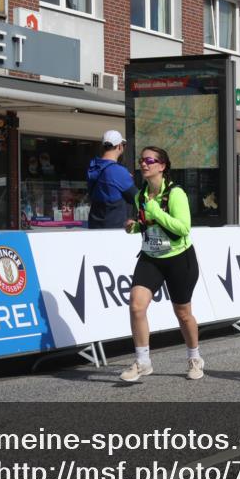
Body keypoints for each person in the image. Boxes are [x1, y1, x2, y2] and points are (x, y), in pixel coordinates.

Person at [121, 146, 203, 382]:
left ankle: (194, 357)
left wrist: (156, 211)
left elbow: (183, 228)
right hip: (151, 257)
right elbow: (146, 223)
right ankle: (143, 361)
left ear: (162, 166)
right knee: (136, 306)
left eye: (149, 160)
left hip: (179, 258)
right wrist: (134, 226)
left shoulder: (176, 194)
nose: (143, 164)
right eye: (141, 160)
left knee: (183, 313)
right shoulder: (140, 195)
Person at [87, 130, 138, 229]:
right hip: (114, 229)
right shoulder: (118, 171)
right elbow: (136, 198)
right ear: (119, 146)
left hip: (94, 226)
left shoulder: (93, 166)